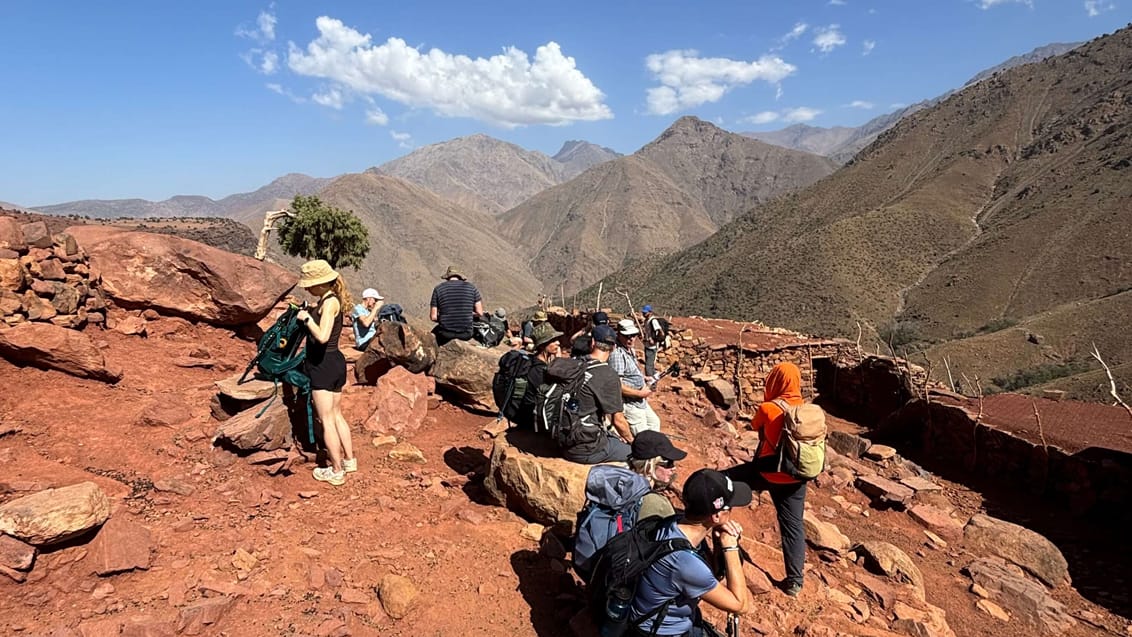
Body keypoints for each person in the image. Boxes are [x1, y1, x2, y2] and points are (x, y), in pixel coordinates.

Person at [629, 468, 751, 636]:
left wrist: (716, 541)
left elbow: (713, 574)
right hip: (662, 632)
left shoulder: (673, 523)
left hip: (653, 617)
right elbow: (740, 605)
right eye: (730, 507)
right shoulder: (685, 563)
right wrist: (729, 546)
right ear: (715, 516)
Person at [723, 362, 808, 597]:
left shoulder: (769, 407)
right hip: (796, 477)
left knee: (724, 479)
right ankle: (795, 582)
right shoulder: (807, 411)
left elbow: (754, 426)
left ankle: (715, 525)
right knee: (793, 526)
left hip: (767, 471)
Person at [294, 259, 357, 487]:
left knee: (327, 419)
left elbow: (322, 336)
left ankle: (337, 470)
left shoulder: (329, 304)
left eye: (311, 285)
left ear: (322, 283)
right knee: (337, 414)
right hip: (335, 363)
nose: (308, 288)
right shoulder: (329, 299)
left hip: (323, 363)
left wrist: (307, 318)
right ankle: (349, 460)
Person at [564, 324, 633, 464]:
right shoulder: (608, 375)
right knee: (634, 454)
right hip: (585, 448)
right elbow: (618, 421)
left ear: (593, 343)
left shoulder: (574, 364)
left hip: (562, 438)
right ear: (613, 348)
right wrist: (633, 442)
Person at [610, 318, 662, 435]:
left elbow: (630, 372)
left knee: (654, 423)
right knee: (642, 435)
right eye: (627, 336)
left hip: (639, 401)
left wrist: (644, 378)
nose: (631, 339)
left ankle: (653, 449)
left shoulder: (630, 349)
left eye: (633, 335)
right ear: (619, 335)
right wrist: (640, 393)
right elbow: (617, 385)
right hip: (631, 403)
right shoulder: (618, 354)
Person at [629, 431, 686, 519]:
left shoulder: (622, 481)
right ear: (649, 466)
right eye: (669, 463)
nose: (673, 468)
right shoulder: (659, 504)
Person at [430, 265, 483, 345]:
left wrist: (446, 317)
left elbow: (433, 317)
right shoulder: (472, 288)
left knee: (434, 334)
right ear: (460, 277)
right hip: (466, 334)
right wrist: (466, 314)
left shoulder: (438, 289)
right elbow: (480, 313)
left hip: (445, 333)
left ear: (447, 277)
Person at [641, 305, 665, 381]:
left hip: (652, 347)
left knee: (648, 366)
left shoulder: (653, 321)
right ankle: (655, 378)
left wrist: (655, 340)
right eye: (643, 312)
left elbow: (661, 332)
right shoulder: (646, 321)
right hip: (647, 345)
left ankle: (651, 383)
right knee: (649, 366)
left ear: (650, 312)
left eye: (645, 313)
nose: (643, 314)